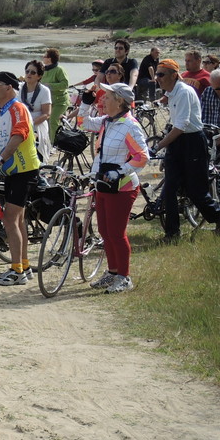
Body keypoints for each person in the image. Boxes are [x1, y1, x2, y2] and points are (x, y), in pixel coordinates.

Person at [77, 82, 149, 294]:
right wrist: (85, 102)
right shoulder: (107, 122)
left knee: (117, 233)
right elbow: (83, 122)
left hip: (123, 187)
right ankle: (112, 271)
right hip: (104, 184)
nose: (102, 100)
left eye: (107, 97)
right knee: (104, 232)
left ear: (119, 101)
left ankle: (124, 278)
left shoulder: (129, 125)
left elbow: (143, 157)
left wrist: (121, 171)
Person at [151, 60, 220, 241]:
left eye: (161, 74)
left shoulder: (184, 92)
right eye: (156, 74)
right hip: (178, 142)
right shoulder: (171, 92)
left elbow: (180, 126)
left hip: (192, 141)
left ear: (173, 75)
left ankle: (219, 215)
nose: (157, 78)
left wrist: (158, 145)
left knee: (196, 190)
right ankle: (172, 233)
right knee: (169, 189)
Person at [0, 71, 39, 285]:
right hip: (13, 172)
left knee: (9, 219)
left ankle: (17, 270)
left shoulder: (18, 108)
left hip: (23, 170)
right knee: (17, 220)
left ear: (8, 87)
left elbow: (19, 134)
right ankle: (23, 265)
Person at [20, 60, 53, 161]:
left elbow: (47, 114)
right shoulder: (19, 88)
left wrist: (31, 124)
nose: (29, 74)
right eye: (27, 71)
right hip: (20, 125)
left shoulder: (44, 91)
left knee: (36, 157)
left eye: (33, 72)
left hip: (37, 126)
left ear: (39, 76)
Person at [39, 48, 69, 137]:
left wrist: (50, 85)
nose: (42, 57)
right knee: (43, 121)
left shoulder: (59, 70)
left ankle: (52, 145)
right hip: (47, 101)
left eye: (44, 56)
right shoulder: (43, 70)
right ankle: (46, 142)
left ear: (50, 58)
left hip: (60, 101)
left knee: (52, 121)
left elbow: (65, 84)